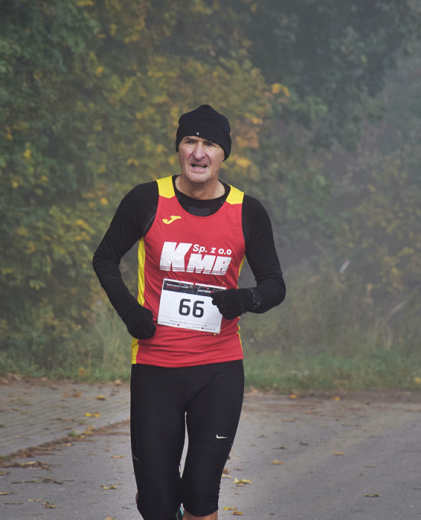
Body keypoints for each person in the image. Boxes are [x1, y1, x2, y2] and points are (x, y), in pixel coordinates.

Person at [93, 104, 286, 520]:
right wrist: (130, 311)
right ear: (179, 149)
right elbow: (105, 258)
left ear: (223, 154)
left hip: (218, 368)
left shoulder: (247, 211)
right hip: (155, 366)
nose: (199, 153)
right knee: (157, 505)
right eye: (190, 142)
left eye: (210, 144)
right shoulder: (147, 199)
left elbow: (274, 285)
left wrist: (245, 299)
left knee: (201, 494)